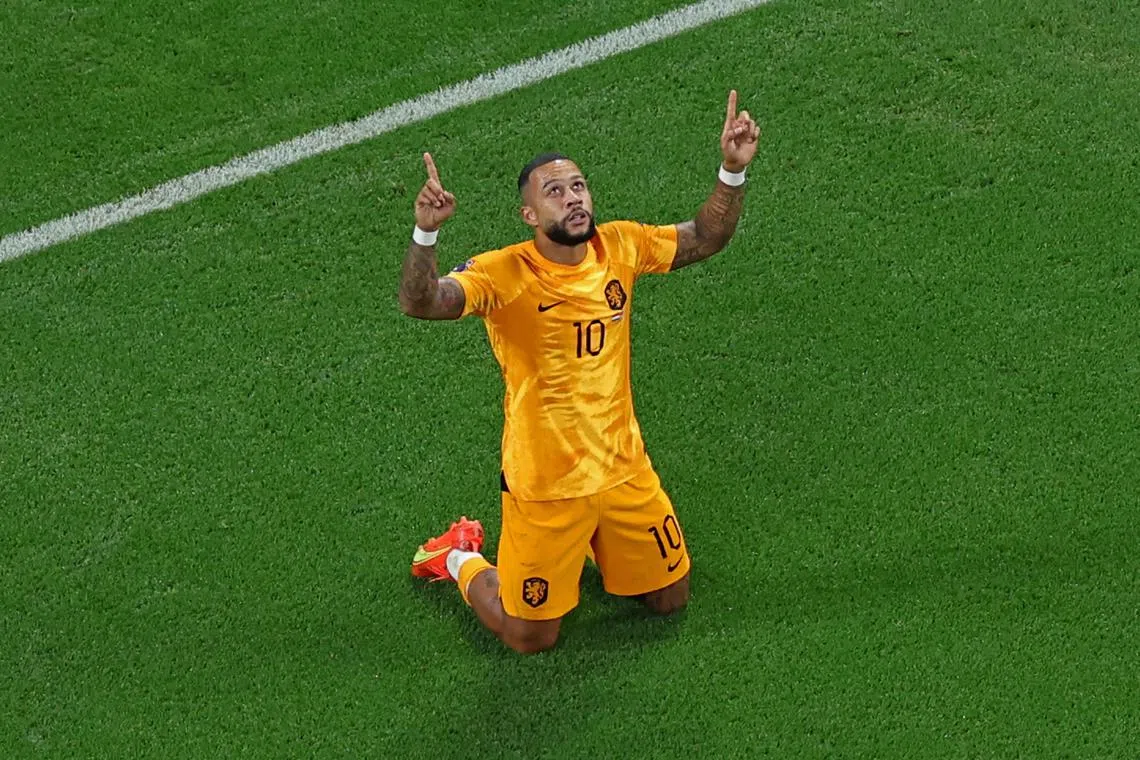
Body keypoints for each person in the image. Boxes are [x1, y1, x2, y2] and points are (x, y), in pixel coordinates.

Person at [399, 90, 760, 654]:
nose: (572, 198)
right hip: (545, 488)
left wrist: (731, 170)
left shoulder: (621, 245)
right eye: (554, 191)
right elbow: (422, 302)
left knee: (670, 599)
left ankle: (597, 542)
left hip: (621, 470)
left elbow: (706, 236)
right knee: (530, 637)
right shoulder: (503, 274)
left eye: (578, 186)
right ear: (529, 215)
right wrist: (427, 233)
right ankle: (457, 555)